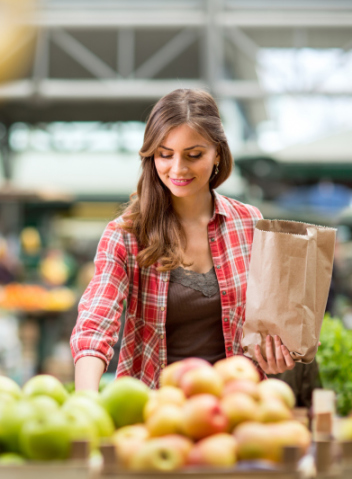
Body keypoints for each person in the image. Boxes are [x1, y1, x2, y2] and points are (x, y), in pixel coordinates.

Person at [71, 89, 296, 391]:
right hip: (156, 411)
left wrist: (278, 353)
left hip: (237, 406)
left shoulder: (249, 223)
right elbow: (96, 320)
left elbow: (271, 323)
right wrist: (86, 396)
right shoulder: (126, 233)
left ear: (217, 152)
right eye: (165, 154)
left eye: (194, 155)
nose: (177, 169)